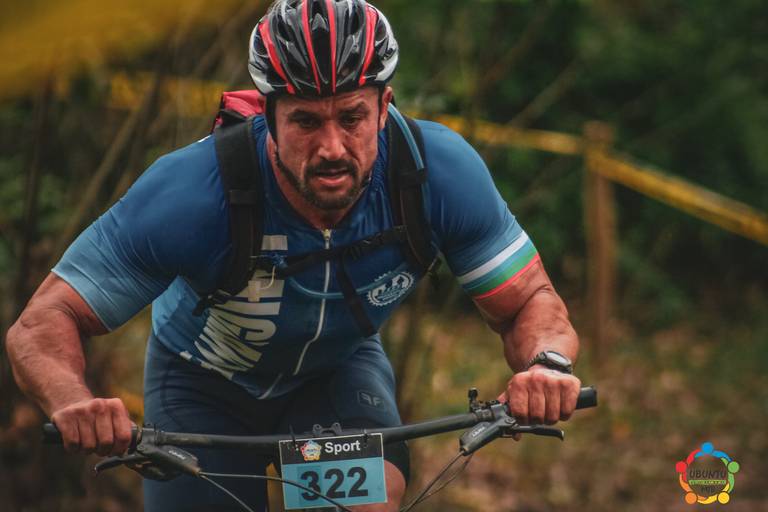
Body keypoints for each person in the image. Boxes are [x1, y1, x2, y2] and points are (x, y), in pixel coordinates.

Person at [5, 0, 582, 510]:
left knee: (362, 505)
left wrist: (546, 366)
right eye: (305, 120)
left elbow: (529, 301)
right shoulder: (193, 193)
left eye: (351, 117)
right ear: (269, 115)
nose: (331, 147)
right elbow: (41, 324)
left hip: (335, 376)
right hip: (199, 387)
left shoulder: (437, 177)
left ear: (384, 106)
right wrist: (73, 402)